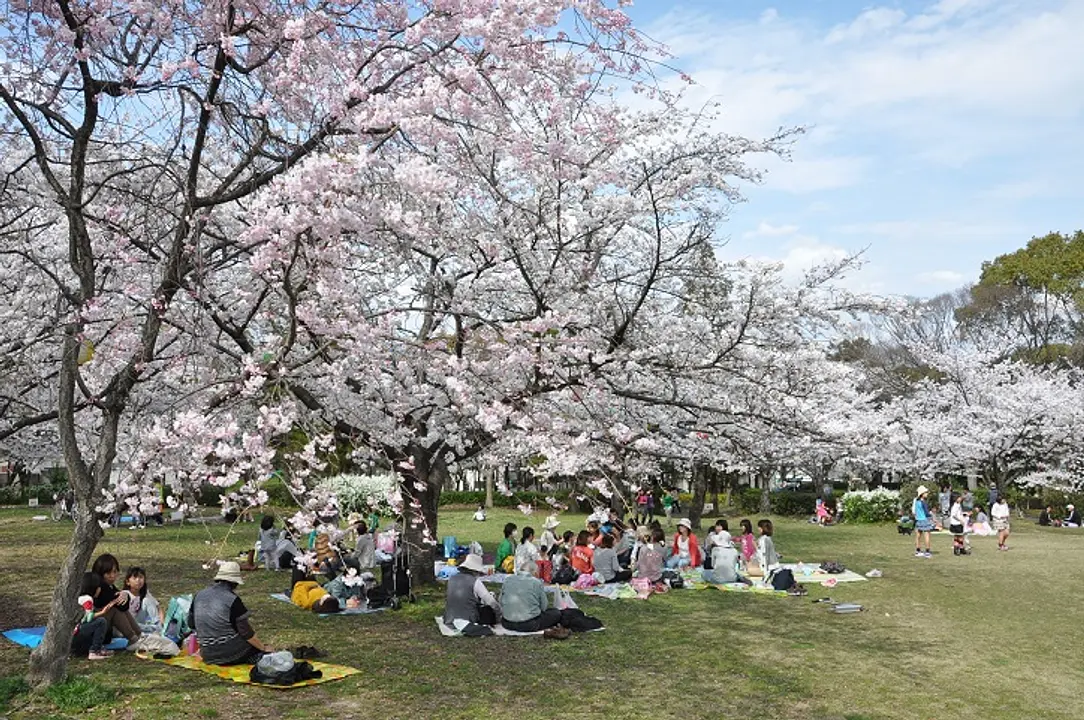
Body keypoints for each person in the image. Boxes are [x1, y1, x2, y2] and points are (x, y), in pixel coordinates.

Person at [189, 561, 272, 664]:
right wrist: (263, 648)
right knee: (258, 651)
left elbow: (191, 624)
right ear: (235, 582)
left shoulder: (199, 595)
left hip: (207, 654)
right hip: (231, 654)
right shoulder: (233, 600)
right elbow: (246, 632)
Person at [443, 553, 501, 635]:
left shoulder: (451, 578)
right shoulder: (475, 581)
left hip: (449, 618)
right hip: (468, 618)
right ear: (475, 570)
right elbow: (490, 601)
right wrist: (499, 612)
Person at [90, 554, 141, 646]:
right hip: (94, 633)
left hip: (105, 631)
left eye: (115, 572)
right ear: (100, 573)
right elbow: (120, 606)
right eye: (108, 573)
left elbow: (123, 607)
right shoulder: (99, 587)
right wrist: (124, 596)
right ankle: (133, 638)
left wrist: (125, 595)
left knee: (117, 607)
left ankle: (138, 634)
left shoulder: (110, 586)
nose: (112, 576)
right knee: (113, 609)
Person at [499, 560, 561, 632]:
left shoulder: (508, 579)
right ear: (535, 573)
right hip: (529, 624)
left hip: (507, 623)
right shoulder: (536, 582)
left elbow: (500, 600)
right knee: (556, 613)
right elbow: (544, 607)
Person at [73, 572, 114, 660]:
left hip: (73, 634)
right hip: (77, 633)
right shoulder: (88, 599)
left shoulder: (79, 598)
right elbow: (87, 617)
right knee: (101, 622)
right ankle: (95, 650)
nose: (100, 589)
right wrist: (103, 612)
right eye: (99, 587)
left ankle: (96, 648)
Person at [124, 567, 164, 634]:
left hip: (140, 622)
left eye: (141, 577)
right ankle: (151, 628)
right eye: (135, 578)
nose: (138, 580)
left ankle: (157, 627)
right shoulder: (125, 594)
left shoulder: (146, 594)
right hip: (129, 624)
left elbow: (158, 608)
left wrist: (161, 622)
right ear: (128, 582)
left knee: (146, 600)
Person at [912, 485, 934, 558]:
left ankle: (918, 550)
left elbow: (915, 511)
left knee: (918, 536)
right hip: (924, 520)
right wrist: (931, 515)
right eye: (926, 493)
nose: (927, 494)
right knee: (927, 536)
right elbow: (926, 513)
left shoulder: (916, 501)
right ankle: (927, 551)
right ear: (922, 494)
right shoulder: (923, 502)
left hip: (918, 520)